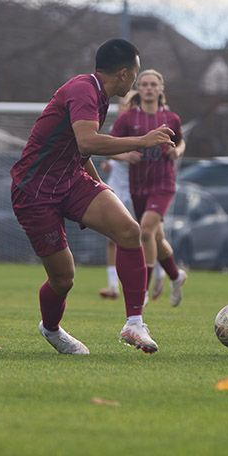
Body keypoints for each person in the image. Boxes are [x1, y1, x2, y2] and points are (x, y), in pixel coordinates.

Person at [10, 38, 175, 354]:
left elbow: (78, 148)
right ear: (124, 73)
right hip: (34, 191)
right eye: (137, 74)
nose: (137, 83)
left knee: (129, 231)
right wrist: (142, 141)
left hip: (71, 181)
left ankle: (134, 325)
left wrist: (100, 186)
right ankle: (51, 329)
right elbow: (87, 142)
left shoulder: (99, 95)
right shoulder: (84, 90)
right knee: (63, 279)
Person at [110, 69, 188, 307]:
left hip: (163, 183)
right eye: (144, 84)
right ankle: (176, 276)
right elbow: (110, 146)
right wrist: (125, 157)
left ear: (160, 88)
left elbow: (181, 141)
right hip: (138, 185)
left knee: (145, 231)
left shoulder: (171, 118)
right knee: (156, 236)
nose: (149, 88)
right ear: (139, 88)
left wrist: (177, 151)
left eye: (153, 84)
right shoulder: (127, 119)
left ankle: (142, 290)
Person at [98, 91, 140, 300]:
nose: (122, 107)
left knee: (146, 235)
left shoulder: (141, 127)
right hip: (116, 188)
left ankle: (159, 276)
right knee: (112, 237)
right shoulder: (117, 129)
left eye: (126, 103)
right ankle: (113, 285)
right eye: (121, 103)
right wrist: (112, 163)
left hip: (138, 189)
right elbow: (107, 150)